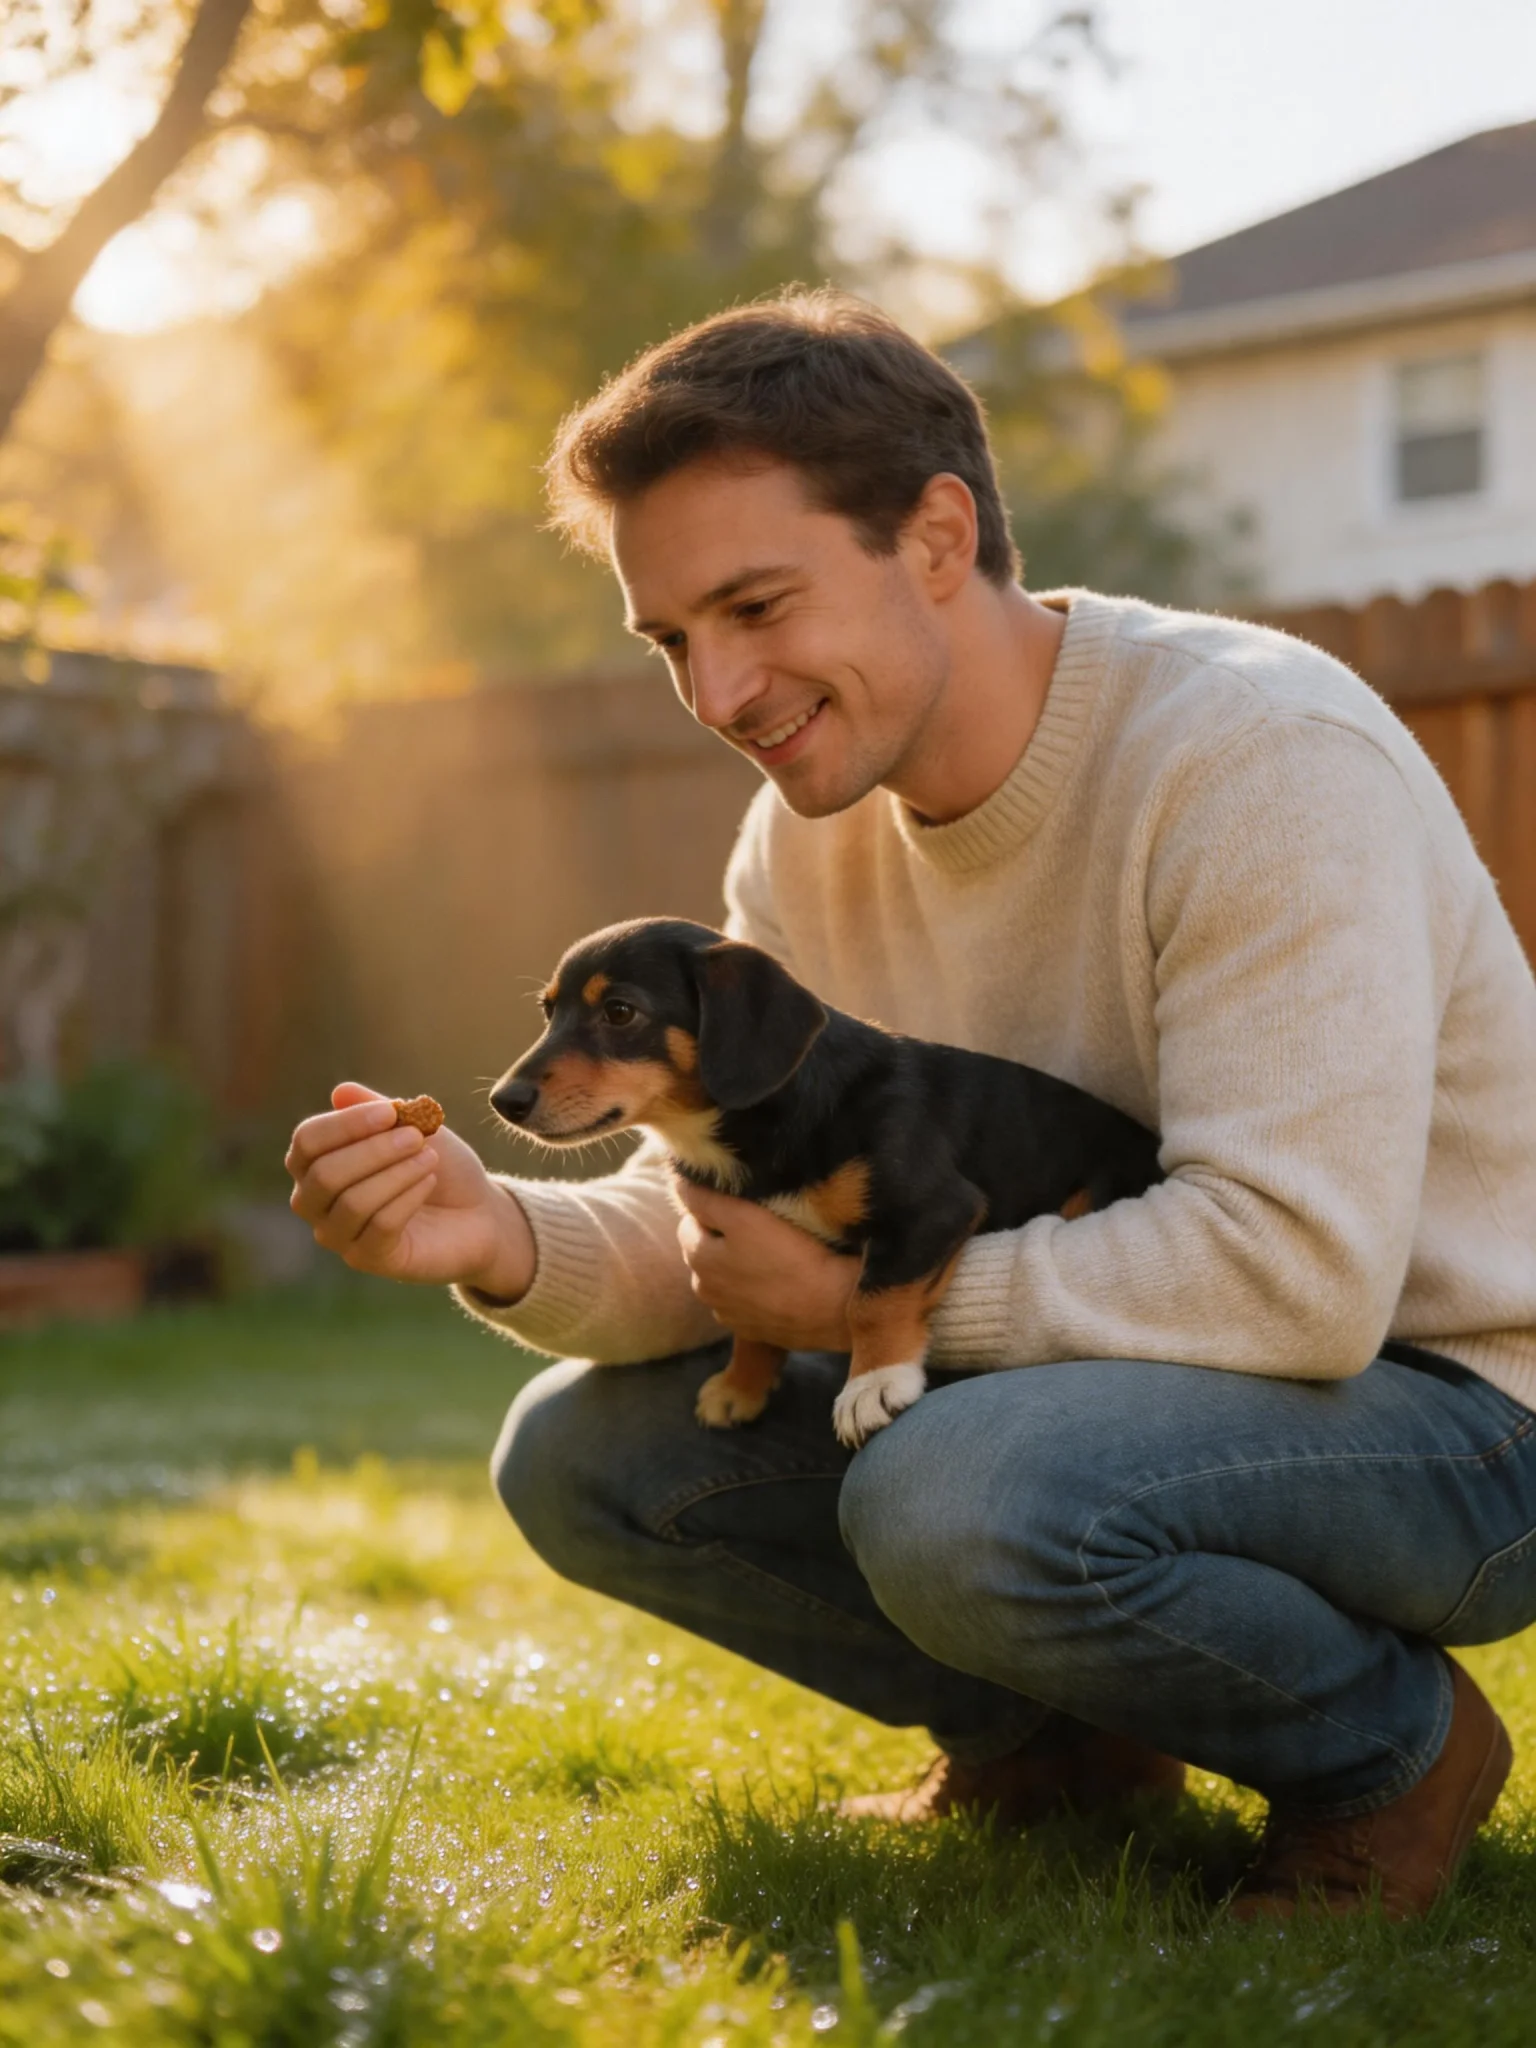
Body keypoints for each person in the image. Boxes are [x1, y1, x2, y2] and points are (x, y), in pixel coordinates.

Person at [285, 289, 1536, 1920]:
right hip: (1138, 1381)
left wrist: (869, 1311)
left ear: (938, 536)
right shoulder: (810, 832)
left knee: (954, 1487)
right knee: (586, 1458)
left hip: (1453, 1406)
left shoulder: (1259, 758)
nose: (719, 690)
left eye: (754, 606)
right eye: (672, 640)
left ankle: (1387, 1755)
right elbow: (755, 1209)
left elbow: (1297, 1275)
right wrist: (500, 1233)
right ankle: (1057, 1749)